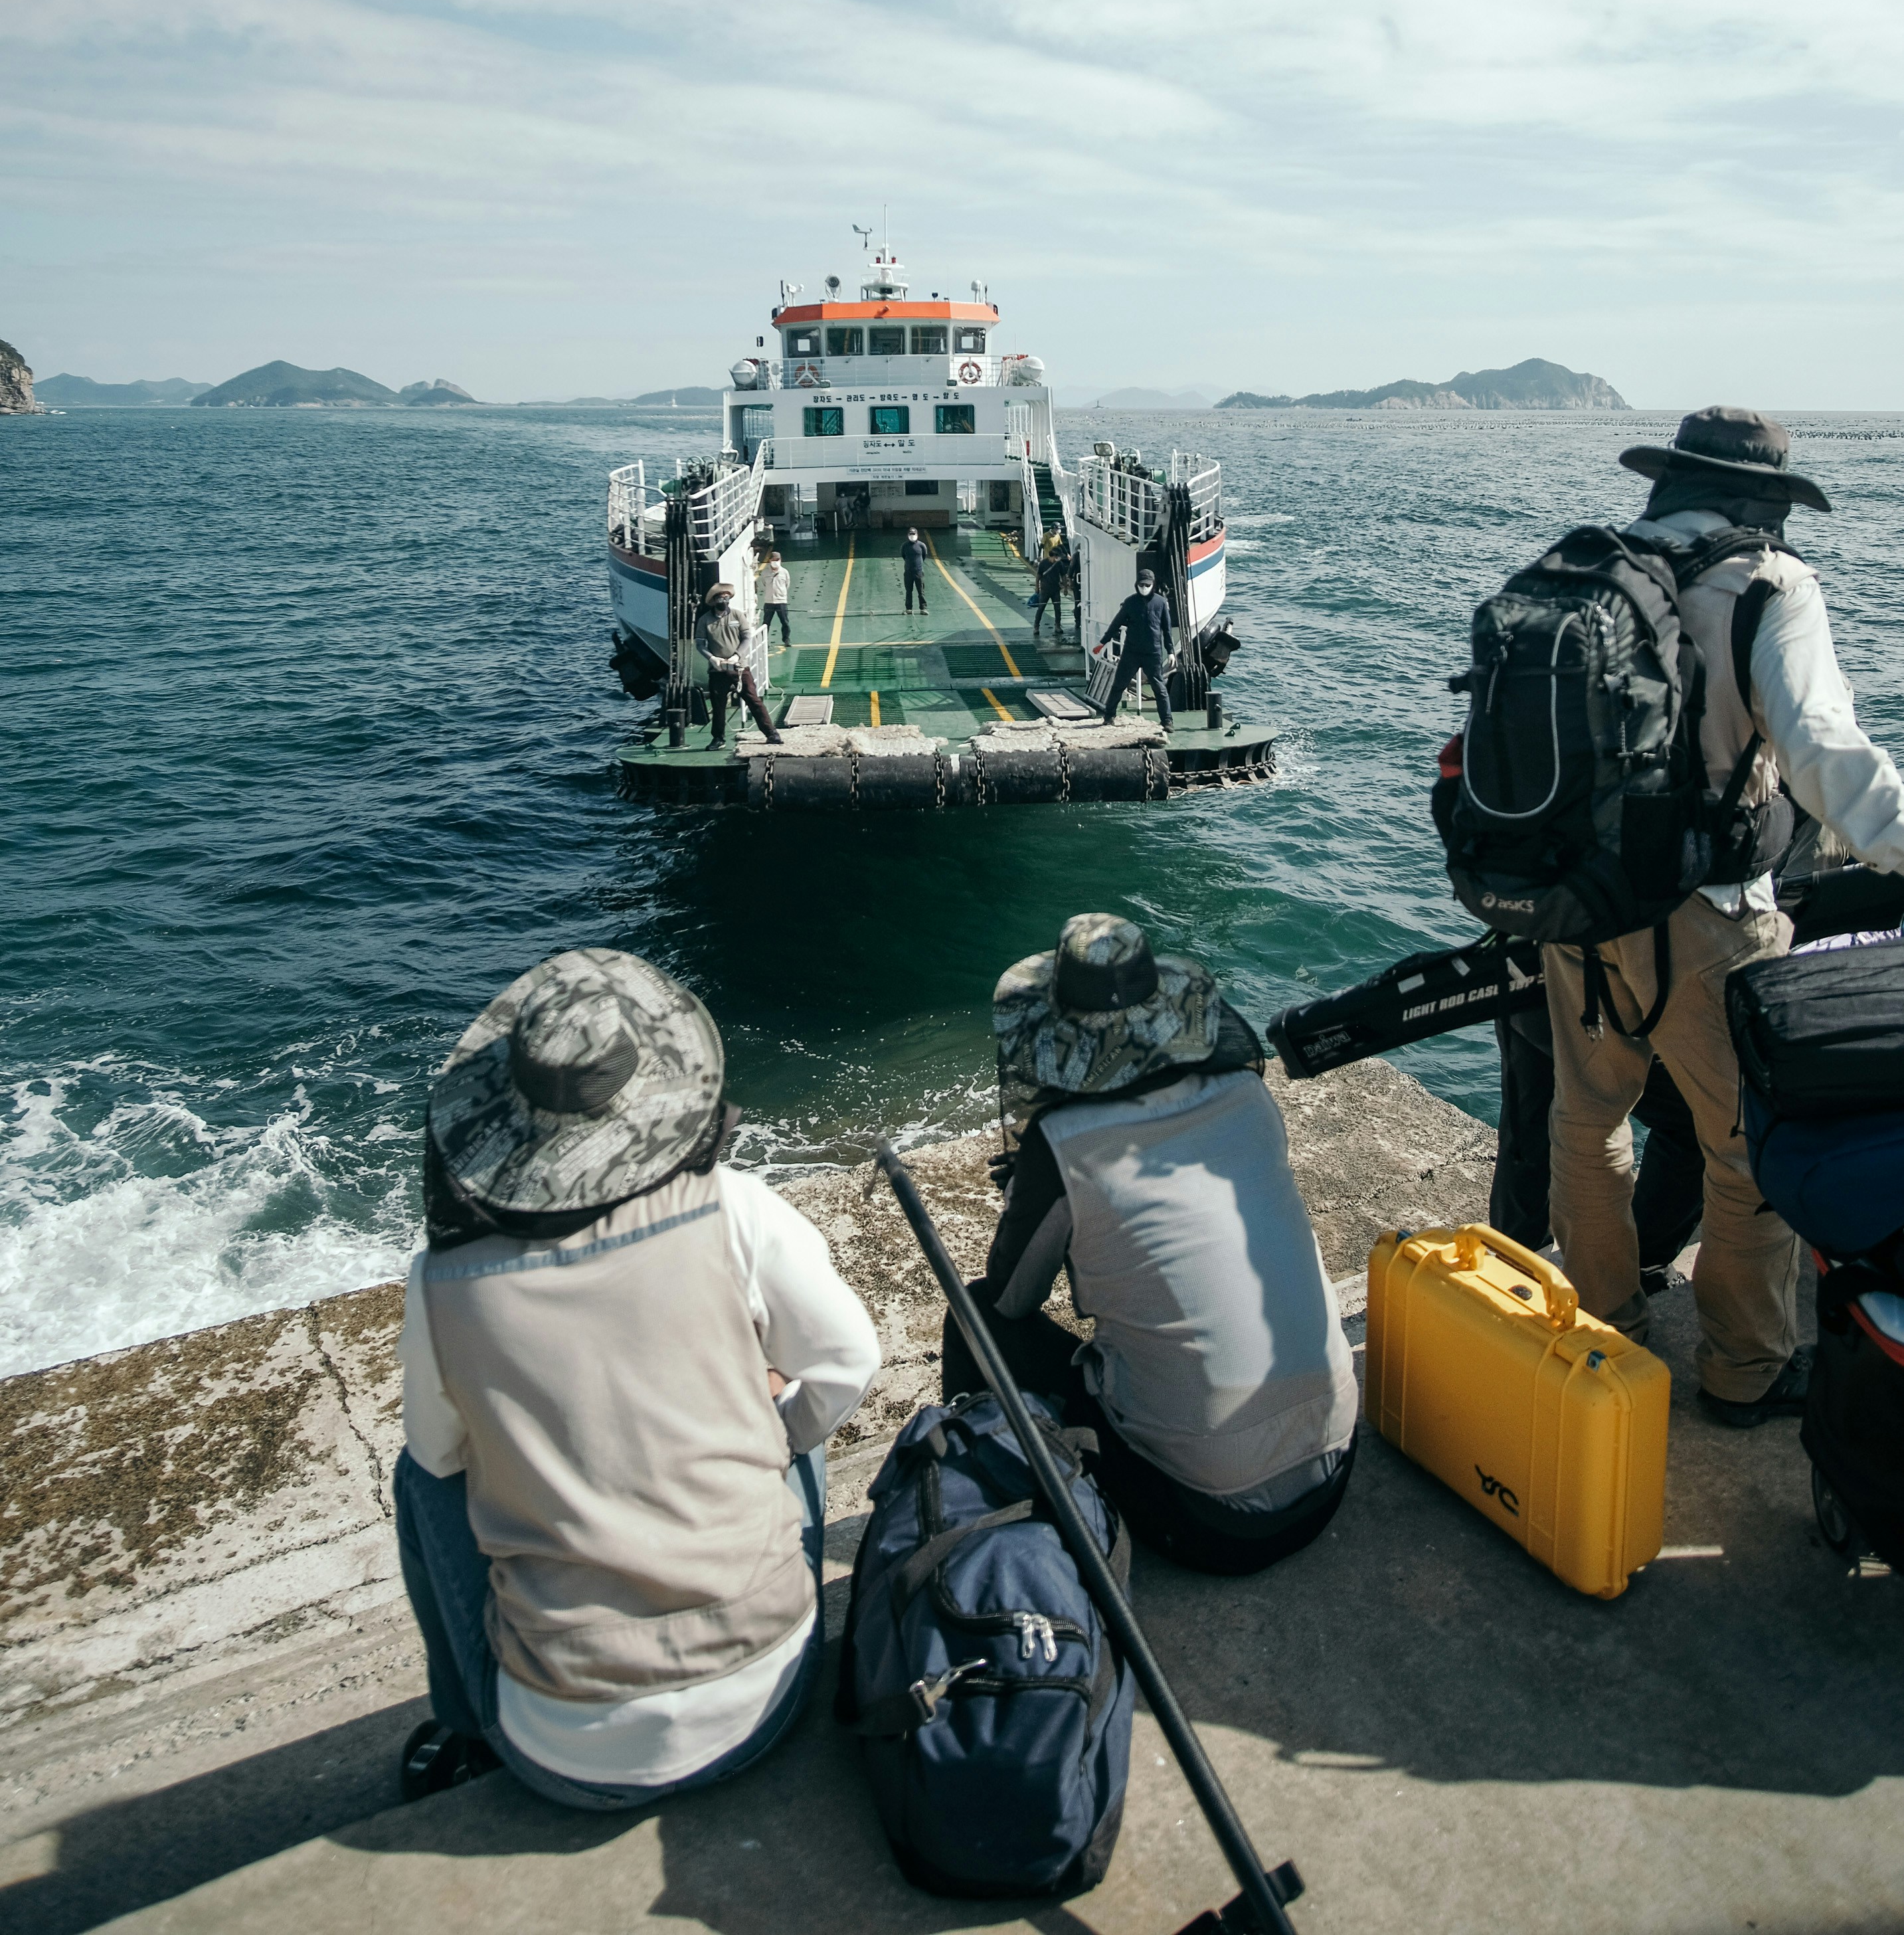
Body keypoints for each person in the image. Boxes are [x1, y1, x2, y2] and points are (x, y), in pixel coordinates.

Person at [394, 947, 880, 1807]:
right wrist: (773, 1433)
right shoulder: (733, 1206)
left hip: (564, 1756)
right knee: (779, 1392)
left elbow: (438, 1458)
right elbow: (849, 1360)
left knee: (418, 1474)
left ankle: (466, 1732)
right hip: (772, 1695)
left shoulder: (443, 1279)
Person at [1544, 407, 1904, 1428]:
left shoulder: (1581, 565)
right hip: (1706, 919)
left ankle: (1608, 1329)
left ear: (1666, 483)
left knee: (1585, 1118)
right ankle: (1744, 1369)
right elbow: (1825, 759)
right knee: (1745, 1149)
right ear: (1760, 502)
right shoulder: (1766, 585)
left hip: (1572, 900)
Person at [943, 914, 1358, 1576]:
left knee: (971, 1317)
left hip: (1210, 1519)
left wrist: (1034, 1192)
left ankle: (990, 1535)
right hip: (1333, 1467)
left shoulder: (1064, 1143)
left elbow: (1012, 1298)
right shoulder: (1247, 1094)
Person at [1489, 1004, 1703, 1293]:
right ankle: (1639, 1267)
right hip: (1596, 1005)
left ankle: (1518, 1258)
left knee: (1531, 1117)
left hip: (1522, 984)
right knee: (1700, 1119)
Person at [695, 581, 778, 746]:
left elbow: (747, 637)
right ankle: (718, 738)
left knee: (754, 700)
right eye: (721, 598)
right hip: (717, 670)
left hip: (740, 668)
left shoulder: (738, 616)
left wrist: (737, 656)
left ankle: (771, 734)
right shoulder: (705, 621)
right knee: (718, 706)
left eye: (727, 598)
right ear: (714, 600)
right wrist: (712, 658)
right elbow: (700, 644)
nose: (724, 601)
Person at [1094, 567, 1174, 734]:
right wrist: (1103, 642)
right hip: (1131, 652)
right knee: (1119, 685)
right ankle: (1109, 717)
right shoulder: (1130, 602)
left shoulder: (1160, 603)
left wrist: (1171, 651)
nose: (1144, 588)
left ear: (1153, 585)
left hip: (1153, 653)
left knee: (1159, 688)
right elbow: (1116, 624)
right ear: (1136, 585)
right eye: (1141, 584)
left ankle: (1167, 721)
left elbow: (1167, 630)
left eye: (1147, 585)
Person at [1032, 535, 1069, 638]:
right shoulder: (1043, 563)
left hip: (1056, 589)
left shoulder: (1060, 564)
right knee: (1041, 608)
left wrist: (1065, 588)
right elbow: (1038, 575)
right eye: (1057, 557)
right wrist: (1037, 587)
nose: (1059, 558)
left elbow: (1063, 576)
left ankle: (1057, 626)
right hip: (1045, 589)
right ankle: (1036, 626)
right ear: (1053, 556)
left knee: (1058, 608)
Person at [758, 549, 792, 650]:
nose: (776, 561)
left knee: (785, 622)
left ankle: (786, 639)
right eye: (774, 559)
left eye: (778, 559)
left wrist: (780, 594)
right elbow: (763, 585)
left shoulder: (785, 572)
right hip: (769, 602)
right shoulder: (765, 573)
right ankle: (765, 641)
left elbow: (787, 585)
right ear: (770, 561)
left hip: (781, 601)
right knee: (766, 623)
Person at [901, 525, 928, 615]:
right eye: (911, 534)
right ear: (908, 535)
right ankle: (909, 609)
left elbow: (924, 556)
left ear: (917, 535)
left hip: (919, 572)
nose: (912, 536)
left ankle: (923, 608)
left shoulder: (922, 545)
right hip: (908, 572)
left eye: (914, 534)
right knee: (909, 591)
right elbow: (904, 556)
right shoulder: (905, 546)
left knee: (921, 591)